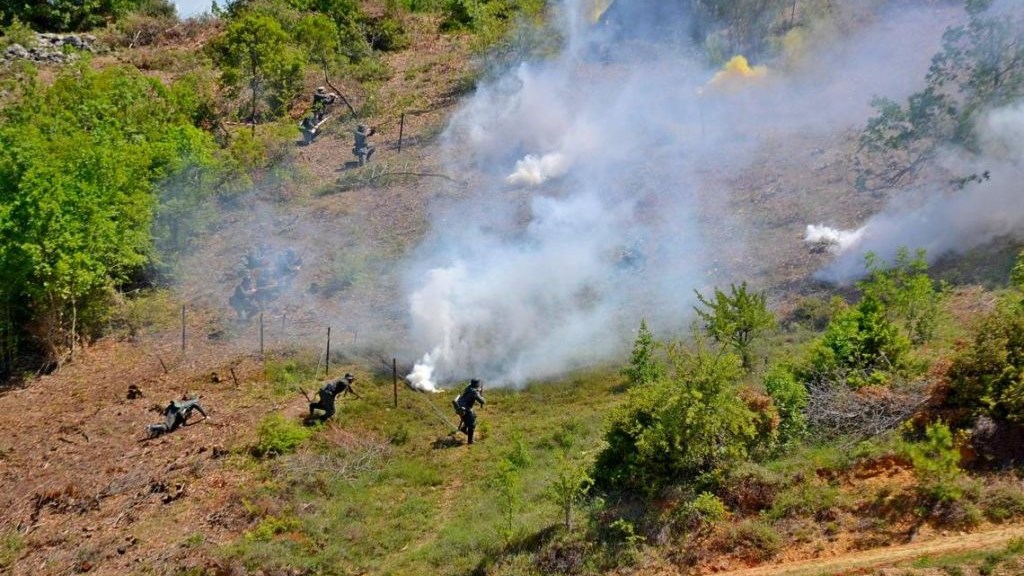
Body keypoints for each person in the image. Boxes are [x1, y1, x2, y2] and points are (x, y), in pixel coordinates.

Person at [453, 379, 485, 445]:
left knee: (474, 416)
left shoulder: (469, 387)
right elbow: (483, 401)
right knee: (472, 425)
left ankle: (464, 429)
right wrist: (481, 395)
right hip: (464, 409)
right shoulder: (474, 392)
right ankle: (470, 441)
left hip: (460, 406)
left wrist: (479, 391)